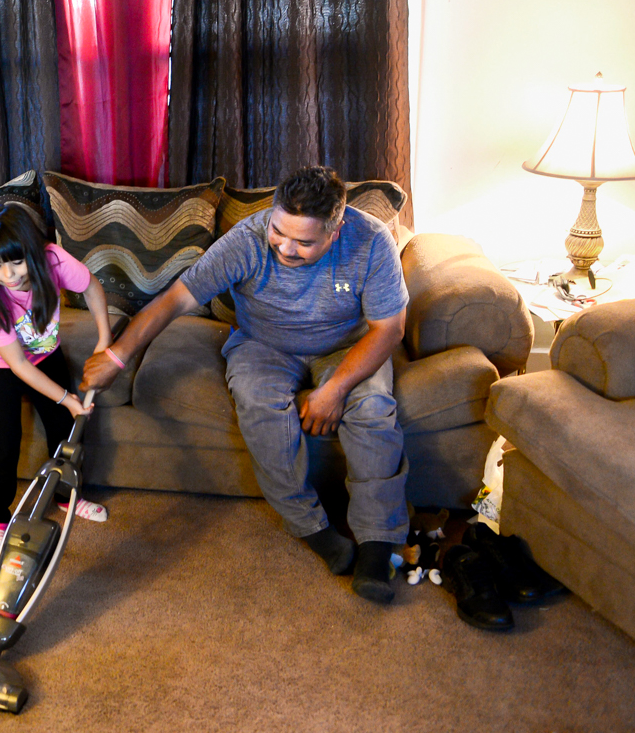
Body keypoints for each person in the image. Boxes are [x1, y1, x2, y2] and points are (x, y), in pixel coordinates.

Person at [81, 166, 409, 602]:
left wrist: (335, 390)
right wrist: (117, 357)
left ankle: (376, 544)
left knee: (372, 412)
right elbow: (177, 298)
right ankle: (311, 527)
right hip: (263, 344)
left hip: (347, 345)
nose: (285, 248)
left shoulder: (370, 241)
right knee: (258, 404)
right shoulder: (248, 238)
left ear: (335, 230)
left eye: (304, 242)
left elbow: (389, 328)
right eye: (279, 231)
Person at [0, 202, 114, 557]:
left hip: (44, 352)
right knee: (3, 441)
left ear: (32, 252)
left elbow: (92, 287)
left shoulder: (55, 261)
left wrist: (104, 340)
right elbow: (18, 366)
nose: (9, 275)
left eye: (16, 262)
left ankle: (66, 496)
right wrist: (67, 396)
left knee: (64, 428)